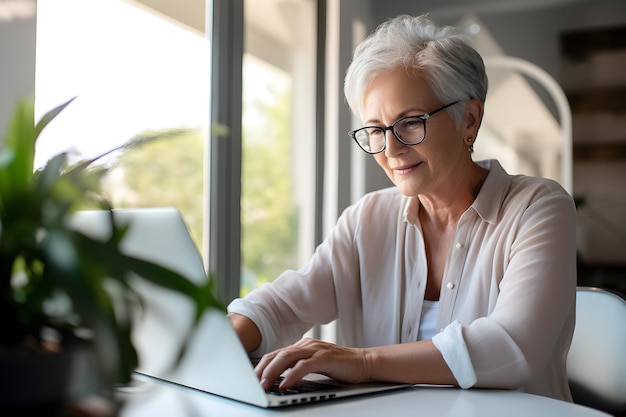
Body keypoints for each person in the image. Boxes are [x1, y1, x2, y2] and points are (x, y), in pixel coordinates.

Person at [227, 14, 576, 402]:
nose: (390, 150)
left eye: (410, 123)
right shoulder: (367, 219)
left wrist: (362, 362)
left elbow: (513, 345)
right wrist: (213, 342)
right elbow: (282, 306)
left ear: (470, 120)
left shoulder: (539, 208)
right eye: (375, 129)